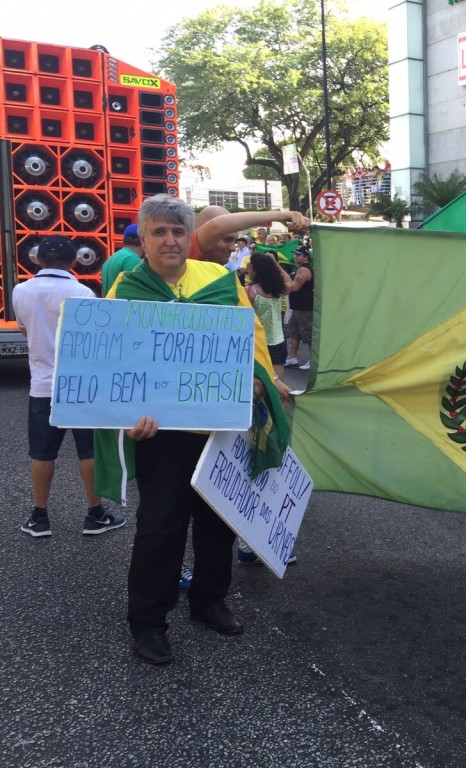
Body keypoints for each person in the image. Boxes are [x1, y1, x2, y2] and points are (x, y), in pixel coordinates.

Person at [102, 195, 293, 665]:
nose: (170, 240)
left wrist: (256, 379)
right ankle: (147, 622)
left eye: (177, 232)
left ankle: (209, 599)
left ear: (190, 238)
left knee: (218, 522)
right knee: (160, 528)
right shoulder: (126, 290)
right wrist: (129, 419)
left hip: (218, 427)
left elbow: (249, 343)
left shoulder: (218, 280)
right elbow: (111, 367)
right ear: (143, 240)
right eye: (159, 232)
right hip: (161, 435)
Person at [13, 236, 126, 538]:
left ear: (38, 260)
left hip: (41, 384)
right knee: (87, 452)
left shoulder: (20, 291)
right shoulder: (83, 293)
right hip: (79, 387)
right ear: (74, 261)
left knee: (42, 454)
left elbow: (24, 329)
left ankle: (39, 517)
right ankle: (94, 514)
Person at [245, 251, 293, 380]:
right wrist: (274, 263)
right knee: (278, 379)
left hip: (258, 341)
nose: (248, 270)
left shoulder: (250, 291)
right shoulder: (277, 288)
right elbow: (290, 282)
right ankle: (279, 400)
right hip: (278, 339)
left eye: (250, 267)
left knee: (258, 379)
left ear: (257, 271)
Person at [285, 245, 314, 370]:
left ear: (306, 256)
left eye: (298, 255)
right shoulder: (300, 268)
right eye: (295, 254)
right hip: (298, 307)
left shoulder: (303, 270)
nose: (295, 256)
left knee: (309, 335)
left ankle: (314, 361)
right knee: (294, 333)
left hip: (305, 308)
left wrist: (285, 282)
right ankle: (292, 358)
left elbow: (295, 287)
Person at [101, 224, 144, 296]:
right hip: (123, 306)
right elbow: (135, 292)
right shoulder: (132, 259)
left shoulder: (112, 258)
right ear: (143, 241)